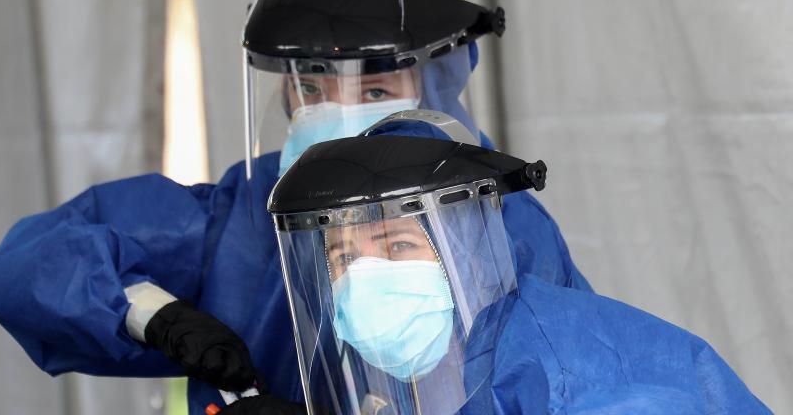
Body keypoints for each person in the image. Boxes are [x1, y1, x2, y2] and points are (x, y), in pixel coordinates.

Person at [0, 0, 585, 414]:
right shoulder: (247, 211)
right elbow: (33, 265)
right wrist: (156, 316)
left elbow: (572, 384)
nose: (338, 111)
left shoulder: (500, 223)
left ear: (433, 85)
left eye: (375, 90)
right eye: (312, 86)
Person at [259, 126, 770, 414]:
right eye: (344, 258)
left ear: (467, 253)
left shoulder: (573, 377)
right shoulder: (454, 360)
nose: (366, 279)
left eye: (396, 244)